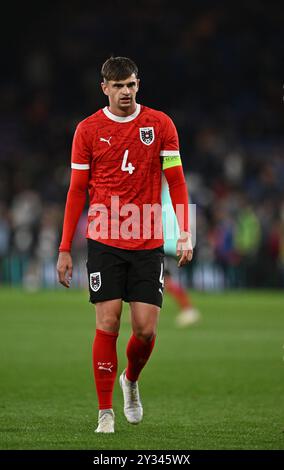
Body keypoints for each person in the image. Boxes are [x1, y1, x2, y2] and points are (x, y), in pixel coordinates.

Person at [56, 56, 193, 433]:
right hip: (104, 239)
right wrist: (64, 247)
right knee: (108, 321)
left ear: (138, 85)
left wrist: (185, 230)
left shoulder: (160, 124)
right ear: (104, 88)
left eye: (131, 85)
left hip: (148, 237)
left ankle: (130, 380)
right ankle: (105, 412)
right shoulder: (87, 130)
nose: (126, 92)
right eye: (118, 86)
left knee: (146, 329)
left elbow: (177, 181)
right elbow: (76, 191)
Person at [162, 179, 200, 327]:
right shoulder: (179, 193)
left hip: (168, 242)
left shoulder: (166, 192)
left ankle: (188, 309)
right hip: (173, 241)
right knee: (158, 279)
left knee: (164, 279)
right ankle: (139, 309)